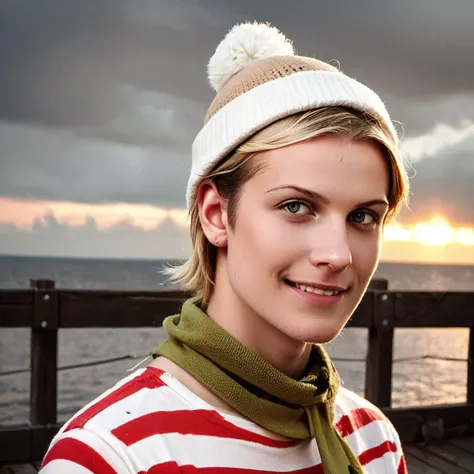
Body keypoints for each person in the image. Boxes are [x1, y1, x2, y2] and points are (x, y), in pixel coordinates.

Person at [39, 21, 410, 474]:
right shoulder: (109, 457)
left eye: (363, 216)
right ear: (215, 214)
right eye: (296, 206)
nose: (338, 254)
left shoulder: (373, 440)